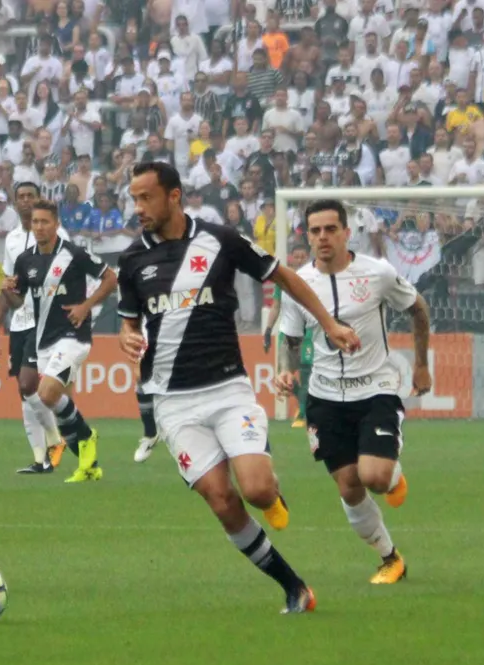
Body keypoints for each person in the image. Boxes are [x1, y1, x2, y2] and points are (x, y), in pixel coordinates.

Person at [118, 162, 361, 614]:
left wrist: (328, 323)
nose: (138, 207)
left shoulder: (221, 240)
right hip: (174, 403)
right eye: (133, 199)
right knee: (221, 499)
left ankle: (271, 492)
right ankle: (294, 587)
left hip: (227, 389)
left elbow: (284, 276)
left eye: (145, 197)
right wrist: (127, 337)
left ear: (173, 196)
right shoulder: (133, 259)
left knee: (256, 491)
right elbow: (129, 325)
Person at [276, 199, 430, 586]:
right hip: (324, 398)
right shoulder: (299, 283)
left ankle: (392, 475)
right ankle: (390, 558)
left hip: (375, 389)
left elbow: (419, 309)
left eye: (331, 229)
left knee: (374, 476)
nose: (323, 237)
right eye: (315, 231)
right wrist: (285, 371)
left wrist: (422, 365)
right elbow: (290, 337)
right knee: (349, 486)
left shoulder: (377, 273)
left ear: (347, 232)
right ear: (307, 236)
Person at [2, 199, 118, 484]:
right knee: (42, 394)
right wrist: (7, 292)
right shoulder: (25, 260)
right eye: (35, 222)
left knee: (47, 393)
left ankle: (87, 437)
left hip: (72, 335)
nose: (39, 227)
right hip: (41, 337)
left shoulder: (74, 254)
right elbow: (18, 303)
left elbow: (110, 278)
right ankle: (89, 464)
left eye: (45, 222)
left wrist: (85, 306)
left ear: (56, 224)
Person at [0, 182, 69, 474]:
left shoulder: (58, 236)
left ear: (39, 200)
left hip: (47, 322)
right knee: (24, 393)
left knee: (29, 385)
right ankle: (40, 459)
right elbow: (10, 287)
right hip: (20, 323)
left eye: (30, 197)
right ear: (14, 203)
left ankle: (57, 438)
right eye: (20, 197)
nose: (25, 201)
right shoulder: (10, 240)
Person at [263, 243, 313, 428]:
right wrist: (268, 330)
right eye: (296, 256)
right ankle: (305, 405)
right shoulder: (283, 280)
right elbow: (276, 306)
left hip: (308, 334)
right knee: (284, 376)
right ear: (291, 258)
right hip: (287, 335)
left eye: (303, 256)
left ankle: (303, 414)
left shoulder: (313, 279)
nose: (300, 259)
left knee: (307, 374)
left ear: (308, 257)